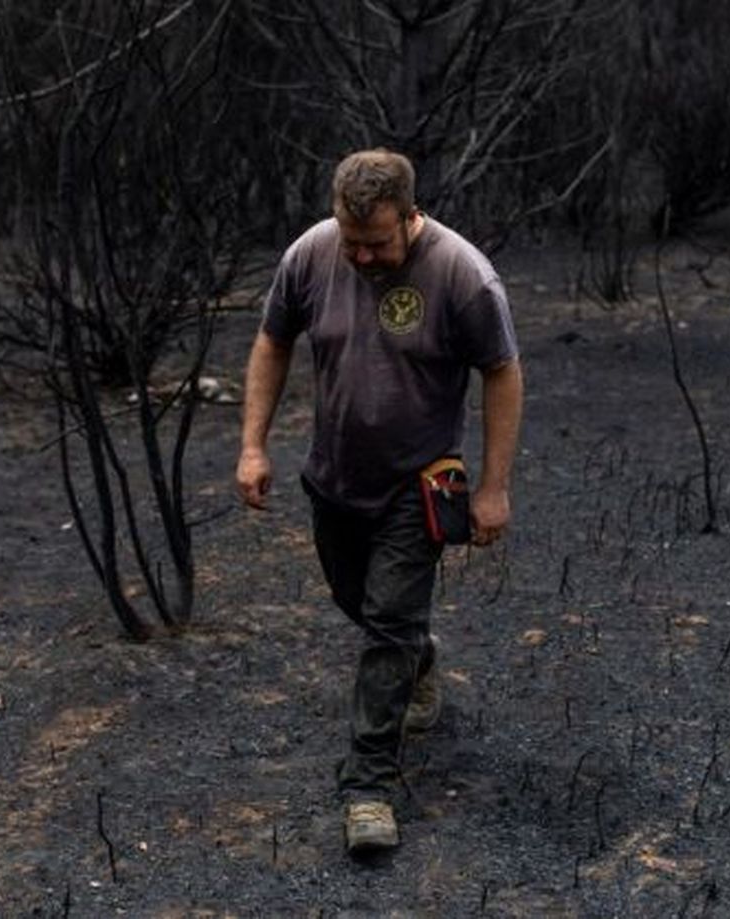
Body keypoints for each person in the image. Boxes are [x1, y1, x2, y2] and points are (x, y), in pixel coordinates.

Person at [235, 149, 523, 855]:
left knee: (386, 625)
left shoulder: (463, 275)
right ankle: (416, 656)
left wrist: (492, 485)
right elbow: (272, 341)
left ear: (411, 215)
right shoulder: (311, 253)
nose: (361, 256)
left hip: (415, 483)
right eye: (351, 239)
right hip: (333, 478)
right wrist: (252, 444)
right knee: (359, 601)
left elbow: (502, 373)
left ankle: (368, 786)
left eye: (378, 243)